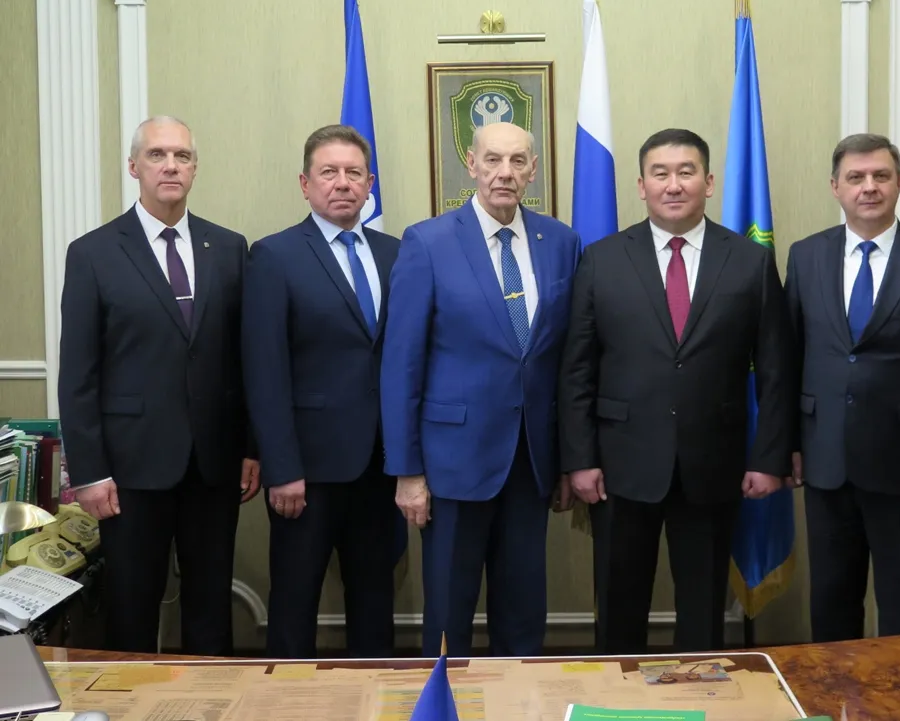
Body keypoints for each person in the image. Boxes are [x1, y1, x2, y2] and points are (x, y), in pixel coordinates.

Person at [558, 128, 795, 654]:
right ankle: (617, 694)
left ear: (708, 182)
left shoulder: (750, 261)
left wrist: (769, 459)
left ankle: (699, 694)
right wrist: (579, 459)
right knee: (619, 609)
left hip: (713, 465)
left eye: (686, 172)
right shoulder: (601, 259)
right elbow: (577, 370)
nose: (673, 184)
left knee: (703, 613)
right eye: (660, 173)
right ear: (640, 185)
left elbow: (777, 370)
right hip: (620, 468)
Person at [58, 115, 259, 655]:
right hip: (129, 468)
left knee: (210, 609)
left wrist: (250, 447)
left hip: (213, 465)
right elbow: (78, 374)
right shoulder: (93, 253)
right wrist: (89, 472)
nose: (171, 166)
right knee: (132, 608)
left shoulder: (228, 248)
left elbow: (244, 360)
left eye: (182, 156)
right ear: (134, 167)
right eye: (157, 155)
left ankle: (211, 698)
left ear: (194, 168)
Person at [381, 121, 580, 658]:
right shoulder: (428, 242)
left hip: (531, 462)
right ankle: (446, 700)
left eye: (517, 161)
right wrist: (407, 472)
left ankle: (520, 701)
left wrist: (568, 459)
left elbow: (567, 361)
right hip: (451, 465)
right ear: (470, 165)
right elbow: (401, 365)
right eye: (492, 160)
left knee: (523, 616)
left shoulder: (561, 243)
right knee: (449, 616)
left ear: (533, 170)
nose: (504, 173)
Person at [784, 133, 900, 642]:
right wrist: (789, 445)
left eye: (880, 176)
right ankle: (829, 691)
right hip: (826, 463)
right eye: (856, 177)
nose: (869, 187)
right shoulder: (805, 256)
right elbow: (789, 359)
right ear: (835, 187)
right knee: (831, 603)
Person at [243, 124, 401, 659]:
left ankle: (376, 695)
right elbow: (264, 371)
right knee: (295, 603)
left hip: (381, 466)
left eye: (354, 173)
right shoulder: (275, 256)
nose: (342, 183)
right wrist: (281, 467)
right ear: (305, 183)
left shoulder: (396, 254)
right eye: (328, 172)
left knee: (376, 604)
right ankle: (289, 699)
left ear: (370, 184)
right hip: (306, 471)